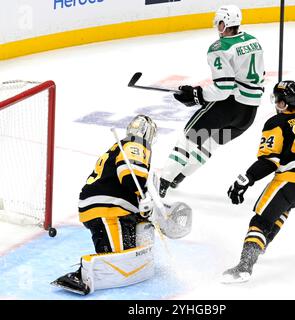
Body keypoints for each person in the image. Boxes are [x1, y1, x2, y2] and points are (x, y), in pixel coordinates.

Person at [222, 80, 295, 283]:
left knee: (260, 220)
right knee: (281, 207)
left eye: (279, 101)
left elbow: (270, 161)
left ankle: (245, 267)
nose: (276, 104)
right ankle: (261, 245)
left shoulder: (275, 123)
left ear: (284, 103)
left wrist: (246, 179)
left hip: (294, 179)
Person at [158, 4, 265, 198]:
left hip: (229, 107)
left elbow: (223, 89)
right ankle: (179, 177)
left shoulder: (220, 48)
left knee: (189, 139)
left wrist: (197, 95)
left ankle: (163, 181)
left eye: (220, 23)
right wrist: (199, 93)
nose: (218, 27)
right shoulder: (253, 41)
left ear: (225, 24)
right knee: (209, 145)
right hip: (248, 115)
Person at [51, 115, 158, 295]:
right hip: (108, 207)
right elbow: (130, 174)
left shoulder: (121, 146)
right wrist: (143, 196)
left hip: (103, 205)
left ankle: (96, 263)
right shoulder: (136, 142)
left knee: (132, 248)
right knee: (122, 262)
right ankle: (82, 274)